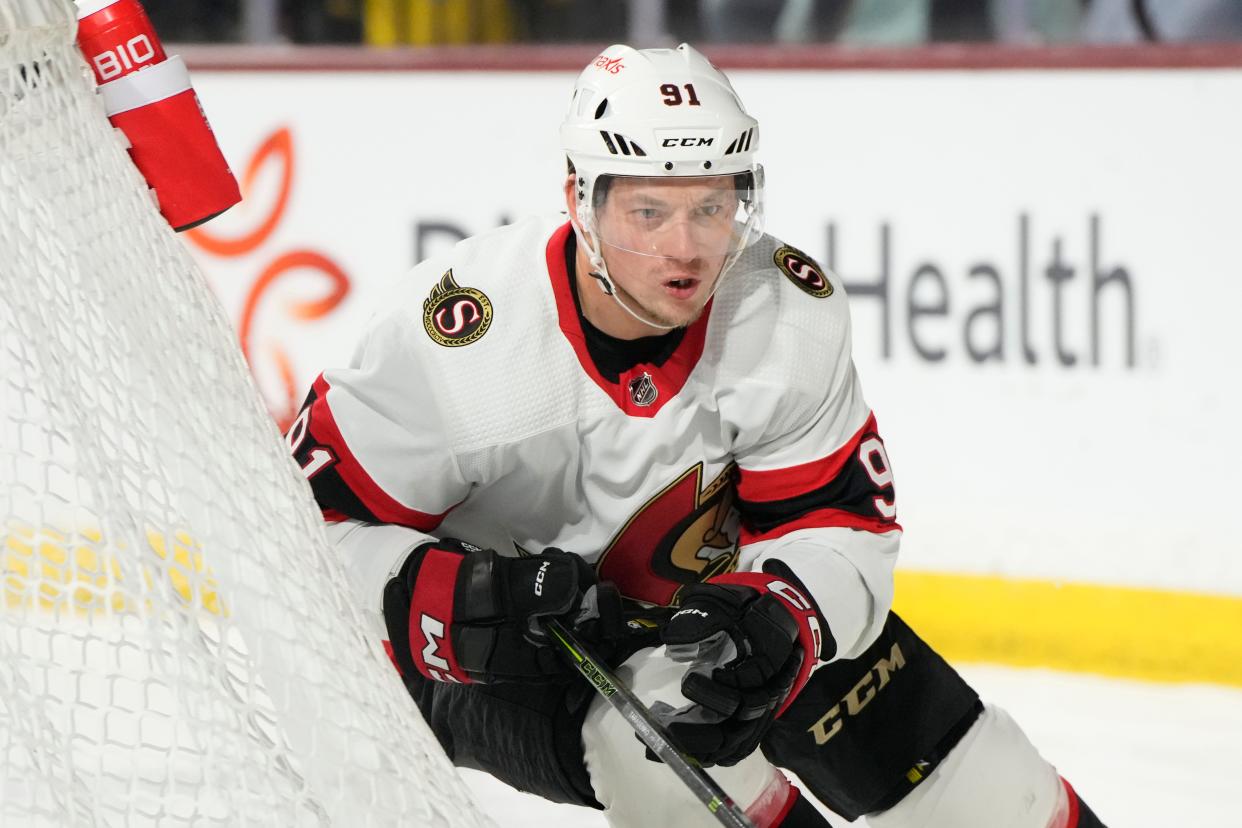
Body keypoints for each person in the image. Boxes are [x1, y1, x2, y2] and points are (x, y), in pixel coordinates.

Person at [287, 43, 1106, 827]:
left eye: (712, 209)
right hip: (506, 656)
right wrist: (439, 594)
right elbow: (293, 531)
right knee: (658, 752)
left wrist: (793, 611)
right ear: (581, 199)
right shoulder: (455, 343)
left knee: (987, 793)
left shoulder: (781, 311)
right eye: (649, 211)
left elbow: (841, 525)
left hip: (716, 609)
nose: (685, 250)